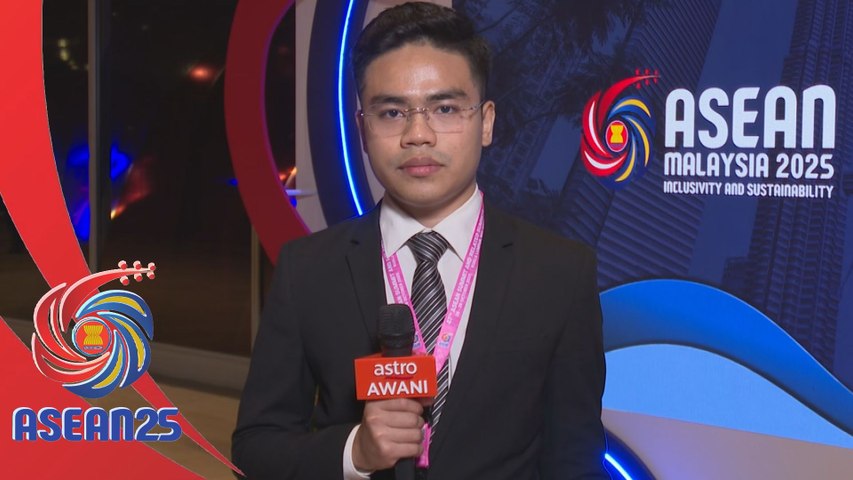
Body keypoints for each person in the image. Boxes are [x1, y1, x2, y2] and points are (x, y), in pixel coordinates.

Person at [232, 3, 608, 479]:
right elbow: (255, 447)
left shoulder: (560, 273)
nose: (418, 135)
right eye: (392, 112)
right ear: (362, 128)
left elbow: (574, 460)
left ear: (486, 122)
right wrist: (354, 453)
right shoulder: (307, 269)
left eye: (445, 108)